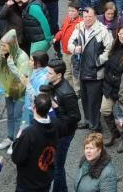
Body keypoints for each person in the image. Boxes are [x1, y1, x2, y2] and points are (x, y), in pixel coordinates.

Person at [69, 6, 113, 133]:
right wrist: (74, 48)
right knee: (84, 98)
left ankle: (95, 125)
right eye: (85, 16)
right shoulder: (79, 27)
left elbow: (109, 50)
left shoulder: (102, 30)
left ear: (95, 17)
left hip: (95, 72)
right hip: (81, 69)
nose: (87, 19)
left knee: (94, 101)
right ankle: (88, 121)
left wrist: (98, 61)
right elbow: (70, 43)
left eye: (90, 17)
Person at [43, 59, 81, 192]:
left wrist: (56, 106)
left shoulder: (67, 93)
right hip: (55, 129)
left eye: (49, 73)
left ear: (59, 75)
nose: (46, 75)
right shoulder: (53, 83)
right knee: (54, 163)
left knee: (58, 166)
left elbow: (75, 117)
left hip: (64, 134)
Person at [11, 93, 59, 192]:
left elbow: (17, 158)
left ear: (34, 107)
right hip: (45, 179)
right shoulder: (55, 124)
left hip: (28, 184)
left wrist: (17, 139)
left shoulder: (29, 133)